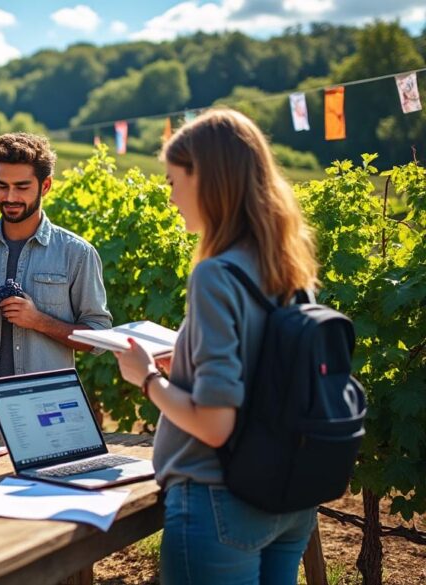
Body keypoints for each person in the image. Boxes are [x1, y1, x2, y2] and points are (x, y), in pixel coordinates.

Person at [114, 109, 320, 584]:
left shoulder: (216, 274)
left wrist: (148, 377)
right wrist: (185, 365)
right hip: (289, 498)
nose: (170, 197)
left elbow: (215, 424)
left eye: (173, 181)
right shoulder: (288, 268)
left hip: (221, 497)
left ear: (207, 179)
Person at [0, 132, 113, 428]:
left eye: (22, 187)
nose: (9, 197)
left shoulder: (77, 253)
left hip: (50, 414)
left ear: (45, 186)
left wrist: (38, 320)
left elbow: (99, 338)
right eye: (2, 186)